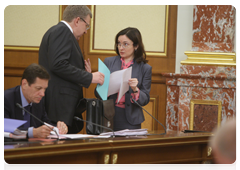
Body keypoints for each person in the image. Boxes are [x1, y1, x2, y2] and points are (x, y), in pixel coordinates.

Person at [38, 5, 104, 133]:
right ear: (77, 20)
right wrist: (89, 77)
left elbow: (60, 66)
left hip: (59, 105)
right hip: (59, 106)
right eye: (87, 26)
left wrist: (84, 73)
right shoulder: (62, 31)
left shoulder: (59, 32)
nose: (86, 31)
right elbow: (58, 64)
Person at [97, 27, 152, 131]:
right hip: (108, 115)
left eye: (125, 44)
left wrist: (135, 89)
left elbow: (145, 99)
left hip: (131, 118)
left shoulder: (145, 68)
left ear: (136, 46)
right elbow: (97, 92)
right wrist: (104, 88)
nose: (121, 48)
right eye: (119, 44)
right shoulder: (109, 62)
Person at [4, 63, 68, 138]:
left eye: (44, 89)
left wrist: (58, 128)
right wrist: (32, 132)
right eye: (38, 88)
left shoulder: (38, 101)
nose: (42, 94)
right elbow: (6, 129)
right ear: (25, 84)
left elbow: (45, 123)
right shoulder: (5, 99)